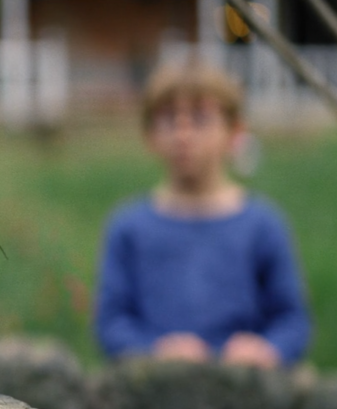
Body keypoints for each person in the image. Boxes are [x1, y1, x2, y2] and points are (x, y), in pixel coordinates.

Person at [94, 59, 311, 370]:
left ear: (234, 130)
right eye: (169, 119)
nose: (183, 134)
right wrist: (152, 350)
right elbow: (111, 324)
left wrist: (268, 349)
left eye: (200, 118)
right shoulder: (128, 227)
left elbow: (292, 320)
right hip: (154, 390)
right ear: (150, 134)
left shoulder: (263, 225)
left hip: (245, 388)